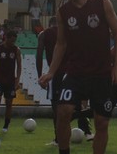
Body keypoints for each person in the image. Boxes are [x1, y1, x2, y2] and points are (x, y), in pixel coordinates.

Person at [38, 0, 117, 154]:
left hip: (101, 74)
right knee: (64, 111)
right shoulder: (63, 13)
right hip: (75, 72)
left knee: (101, 123)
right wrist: (50, 72)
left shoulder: (102, 3)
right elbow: (61, 44)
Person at [36, 16, 93, 146]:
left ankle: (58, 139)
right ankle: (88, 132)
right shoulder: (69, 32)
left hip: (55, 74)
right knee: (77, 104)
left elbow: (39, 55)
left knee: (56, 106)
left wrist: (40, 76)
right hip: (72, 73)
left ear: (50, 24)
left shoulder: (44, 34)